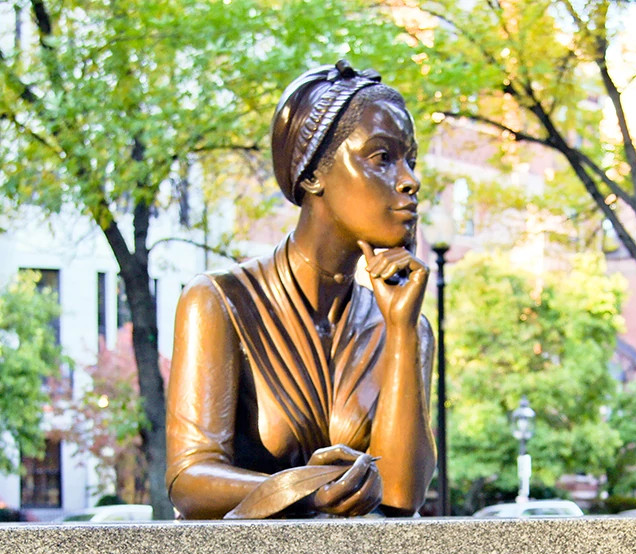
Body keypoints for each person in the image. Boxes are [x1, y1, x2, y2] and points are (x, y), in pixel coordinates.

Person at [166, 61, 435, 519]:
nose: (410, 180)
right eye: (382, 158)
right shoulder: (219, 303)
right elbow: (188, 479)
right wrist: (301, 490)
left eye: (410, 159)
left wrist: (402, 330)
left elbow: (401, 496)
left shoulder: (406, 325)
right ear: (313, 175)